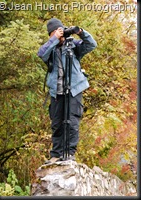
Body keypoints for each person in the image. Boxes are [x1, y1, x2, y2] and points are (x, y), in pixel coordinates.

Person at [37, 18, 97, 164]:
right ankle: (56, 155)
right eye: (56, 32)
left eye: (61, 31)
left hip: (74, 90)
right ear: (51, 34)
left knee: (72, 122)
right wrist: (54, 40)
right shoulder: (49, 49)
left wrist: (81, 33)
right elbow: (41, 53)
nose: (60, 35)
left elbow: (91, 45)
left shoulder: (73, 45)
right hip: (56, 92)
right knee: (57, 124)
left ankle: (69, 154)